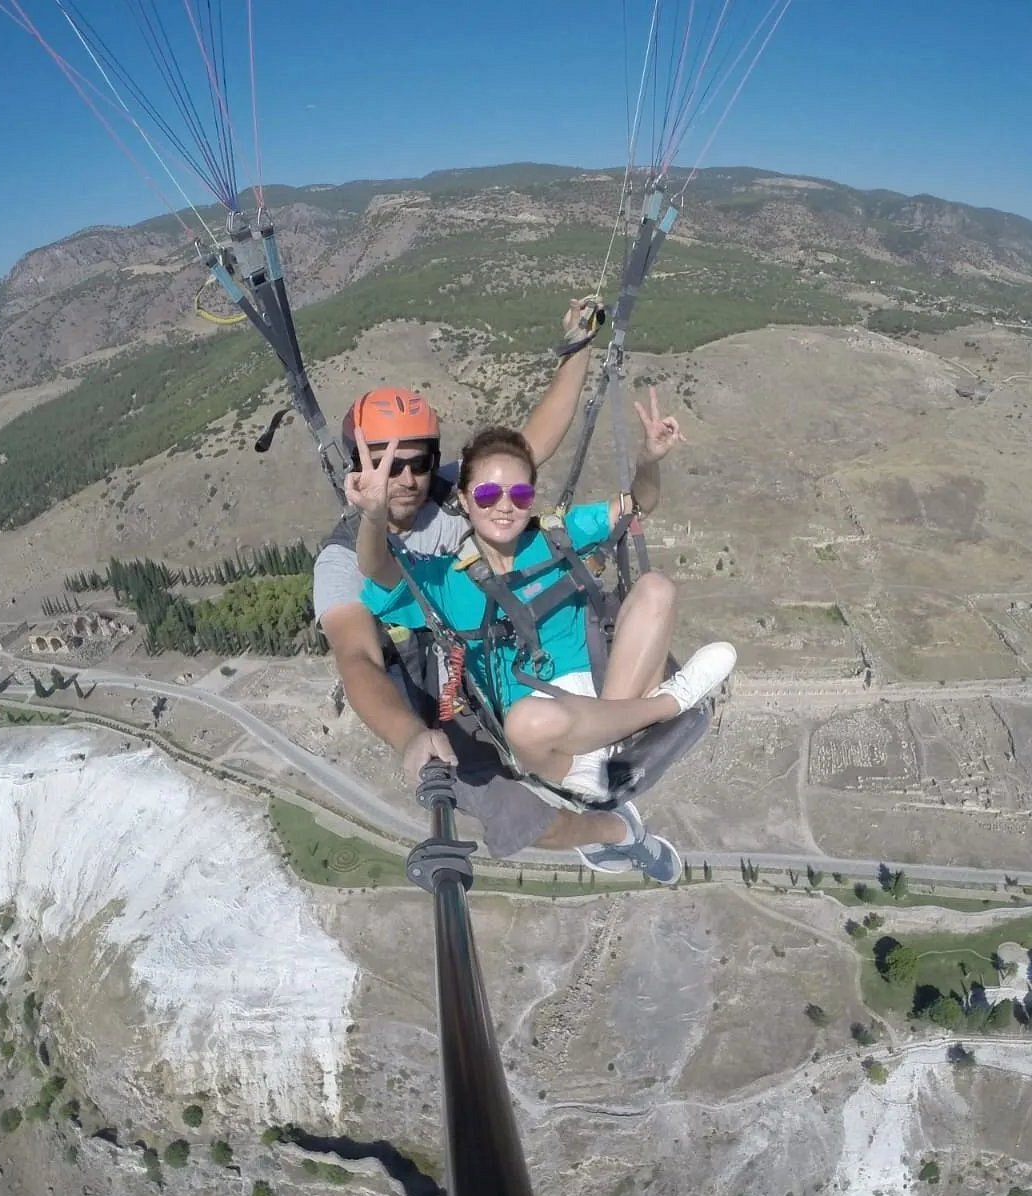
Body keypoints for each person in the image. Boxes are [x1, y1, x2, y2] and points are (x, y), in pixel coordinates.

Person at [348, 389, 737, 884]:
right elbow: (379, 571)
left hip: (607, 699)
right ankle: (672, 703)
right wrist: (374, 515)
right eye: (488, 495)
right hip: (548, 745)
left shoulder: (558, 537)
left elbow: (639, 504)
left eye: (520, 494)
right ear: (465, 501)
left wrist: (648, 459)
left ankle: (617, 736)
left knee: (656, 587)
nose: (505, 507)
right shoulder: (446, 581)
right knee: (528, 721)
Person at [312, 298, 599, 783]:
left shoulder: (453, 493)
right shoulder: (341, 561)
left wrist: (580, 345)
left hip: (514, 660)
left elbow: (533, 444)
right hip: (445, 706)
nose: (402, 479)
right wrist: (408, 735)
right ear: (357, 470)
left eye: (416, 462)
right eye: (384, 464)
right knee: (507, 811)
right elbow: (356, 659)